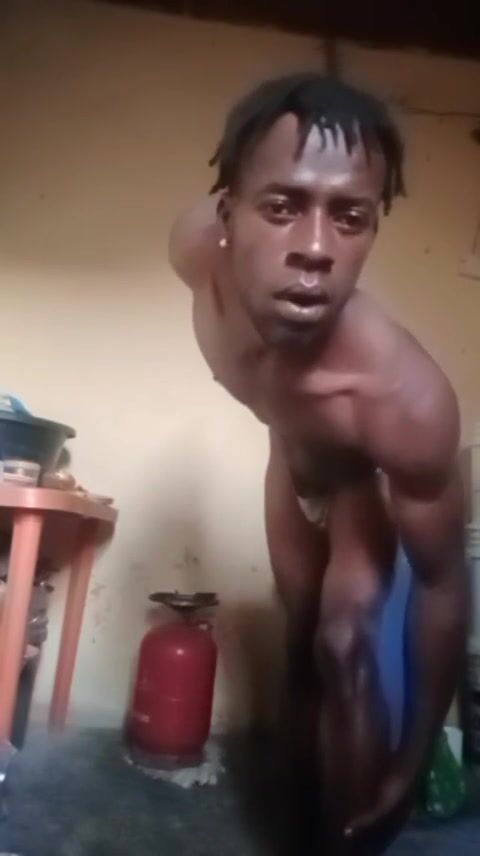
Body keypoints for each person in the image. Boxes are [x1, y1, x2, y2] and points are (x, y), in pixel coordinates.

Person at [169, 74, 467, 853]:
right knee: (299, 641)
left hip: (353, 483)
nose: (314, 248)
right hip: (289, 460)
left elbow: (443, 584)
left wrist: (411, 758)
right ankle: (302, 821)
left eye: (350, 217)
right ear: (228, 214)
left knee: (343, 645)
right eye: (281, 206)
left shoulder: (401, 399)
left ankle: (351, 838)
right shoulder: (196, 251)